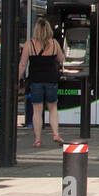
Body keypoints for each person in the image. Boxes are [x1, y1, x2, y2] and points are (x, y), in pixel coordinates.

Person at [18, 16, 64, 148]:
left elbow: (22, 64)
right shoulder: (54, 43)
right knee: (53, 108)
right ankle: (55, 134)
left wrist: (17, 78)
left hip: (35, 80)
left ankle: (37, 139)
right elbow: (61, 59)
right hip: (51, 79)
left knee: (37, 110)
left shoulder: (29, 44)